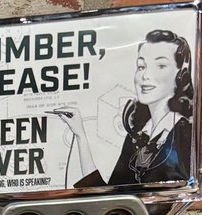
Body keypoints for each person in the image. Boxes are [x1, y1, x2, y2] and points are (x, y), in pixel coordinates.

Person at [54, 30, 194, 189]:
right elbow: (109, 198)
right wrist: (80, 135)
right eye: (141, 66)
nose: (146, 75)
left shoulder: (185, 134)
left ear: (181, 75)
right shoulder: (135, 139)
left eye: (160, 65)